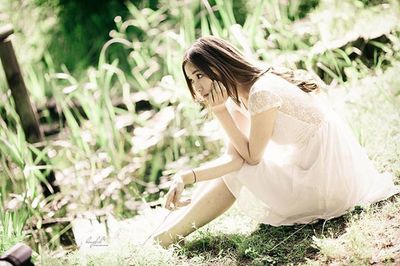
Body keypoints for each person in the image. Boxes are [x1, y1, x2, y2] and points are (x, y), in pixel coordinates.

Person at [151, 36, 399, 248]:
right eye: (191, 80)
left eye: (199, 75)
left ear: (217, 67)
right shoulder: (241, 93)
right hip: (315, 167)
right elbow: (234, 157)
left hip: (330, 180)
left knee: (242, 171)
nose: (197, 87)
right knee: (236, 168)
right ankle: (171, 228)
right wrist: (185, 176)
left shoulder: (261, 92)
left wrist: (219, 112)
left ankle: (167, 237)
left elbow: (251, 158)